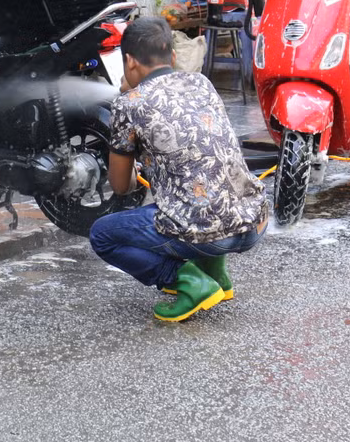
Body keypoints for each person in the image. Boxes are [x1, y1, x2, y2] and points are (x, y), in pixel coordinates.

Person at [89, 17, 268, 323]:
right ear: (171, 56)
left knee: (102, 235)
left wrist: (125, 97)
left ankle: (189, 281)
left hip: (207, 233)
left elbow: (121, 186)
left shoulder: (128, 104)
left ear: (129, 61)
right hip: (253, 223)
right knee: (205, 185)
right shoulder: (202, 83)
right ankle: (217, 277)